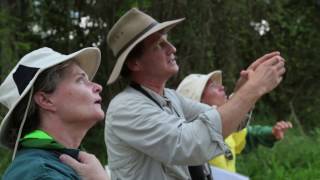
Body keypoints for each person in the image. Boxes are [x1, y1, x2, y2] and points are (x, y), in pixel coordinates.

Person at [105, 8, 285, 180]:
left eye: (167, 41)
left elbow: (224, 119)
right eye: (159, 45)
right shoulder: (125, 107)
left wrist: (242, 90)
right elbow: (190, 144)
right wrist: (252, 89)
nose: (172, 48)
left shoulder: (171, 98)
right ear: (134, 63)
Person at [0, 47, 108, 179]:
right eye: (80, 80)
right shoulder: (44, 174)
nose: (98, 87)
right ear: (46, 100)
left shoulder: (50, 165)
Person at [176, 70, 293, 173]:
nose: (222, 87)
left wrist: (271, 133)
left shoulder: (226, 126)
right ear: (198, 100)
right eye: (212, 86)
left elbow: (246, 137)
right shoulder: (192, 137)